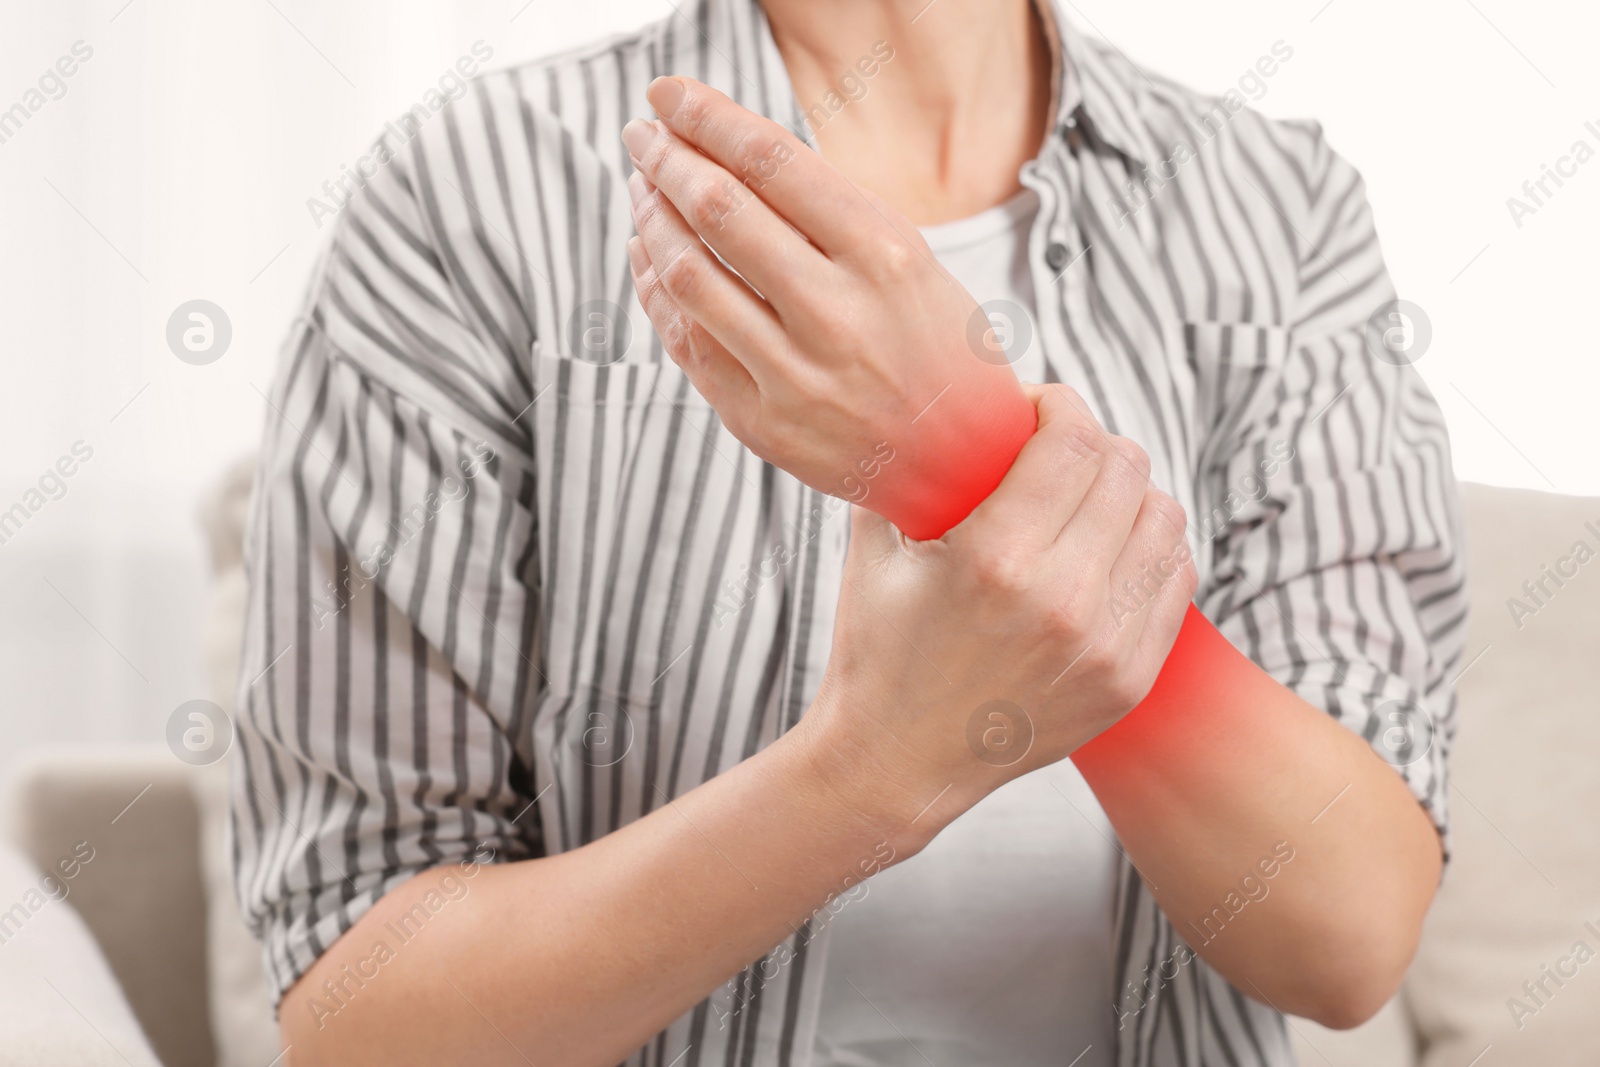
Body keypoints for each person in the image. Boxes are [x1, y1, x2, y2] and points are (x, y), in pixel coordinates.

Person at [233, 0, 1467, 1064]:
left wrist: (959, 451)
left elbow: (1345, 927)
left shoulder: (1279, 208)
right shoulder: (470, 191)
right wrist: (866, 774)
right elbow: (358, 1014)